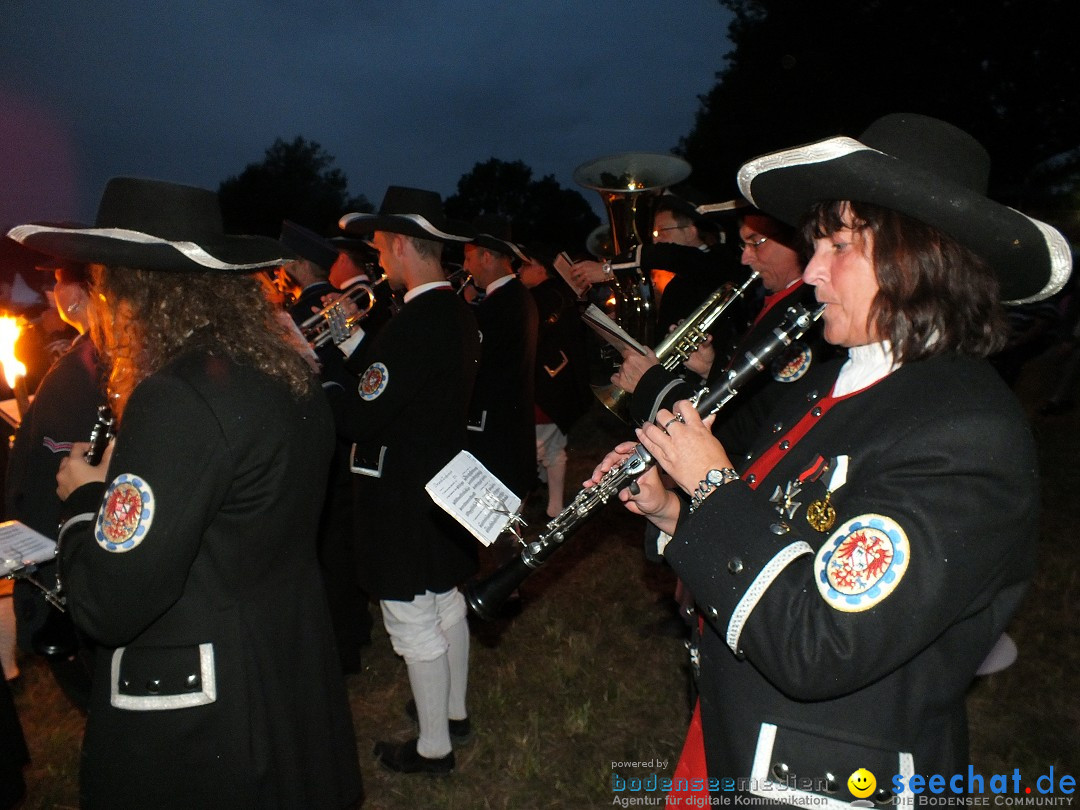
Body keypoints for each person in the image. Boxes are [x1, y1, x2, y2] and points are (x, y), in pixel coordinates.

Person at [587, 113, 1071, 806]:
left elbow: (822, 642)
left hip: (827, 778)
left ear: (920, 255)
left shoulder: (967, 430)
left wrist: (713, 485)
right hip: (742, 733)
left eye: (837, 244)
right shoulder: (833, 379)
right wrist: (673, 508)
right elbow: (780, 527)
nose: (810, 269)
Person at [10, 176, 363, 809]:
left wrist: (86, 498)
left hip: (209, 705)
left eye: (101, 284)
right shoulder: (278, 369)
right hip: (283, 660)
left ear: (129, 287)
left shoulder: (175, 397)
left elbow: (109, 602)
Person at [336, 186, 481, 775]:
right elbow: (397, 380)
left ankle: (432, 748)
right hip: (441, 480)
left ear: (399, 244)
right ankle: (452, 712)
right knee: (445, 600)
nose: (379, 262)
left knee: (410, 617)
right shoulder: (455, 313)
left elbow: (365, 410)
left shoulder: (415, 321)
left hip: (401, 491)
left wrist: (326, 385)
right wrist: (354, 343)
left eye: (380, 249)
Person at [4, 256, 104, 710]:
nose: (51, 295)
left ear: (77, 293)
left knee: (89, 684)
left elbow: (57, 475)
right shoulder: (92, 353)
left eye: (58, 284)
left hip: (64, 550)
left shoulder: (80, 370)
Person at [279, 219, 374, 674]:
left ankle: (343, 647)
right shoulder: (338, 305)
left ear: (297, 266)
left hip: (321, 434)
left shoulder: (294, 317)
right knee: (346, 538)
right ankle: (358, 628)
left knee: (327, 544)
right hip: (348, 432)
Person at [518, 244, 592, 518]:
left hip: (542, 388)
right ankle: (555, 508)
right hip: (560, 387)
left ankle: (510, 518)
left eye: (526, 265)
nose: (519, 270)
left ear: (543, 268)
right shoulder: (561, 295)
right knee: (554, 448)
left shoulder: (536, 298)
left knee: (529, 452)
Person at [464, 233, 539, 501]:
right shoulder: (514, 296)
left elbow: (479, 365)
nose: (465, 267)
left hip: (496, 432)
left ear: (486, 257)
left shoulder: (502, 303)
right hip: (507, 429)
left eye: (468, 257)